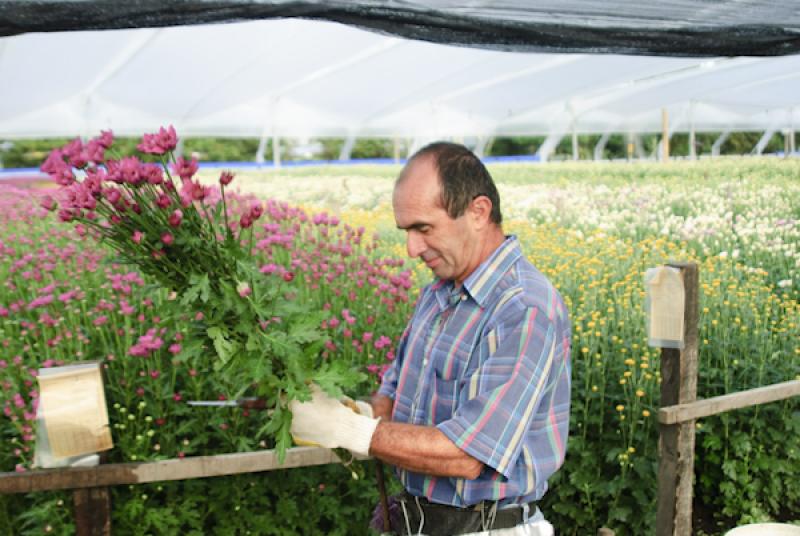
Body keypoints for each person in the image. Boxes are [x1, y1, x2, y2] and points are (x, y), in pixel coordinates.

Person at [290, 142, 571, 536]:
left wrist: (349, 430)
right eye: (406, 231)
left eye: (423, 228)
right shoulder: (439, 295)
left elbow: (470, 454)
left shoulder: (523, 308)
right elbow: (393, 399)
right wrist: (343, 411)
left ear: (478, 212)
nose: (411, 249)